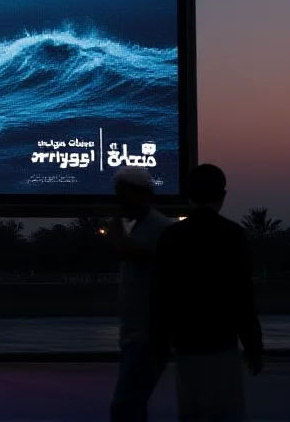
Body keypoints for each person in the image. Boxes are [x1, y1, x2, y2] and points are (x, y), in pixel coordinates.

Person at [150, 164, 263, 422]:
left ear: (189, 194)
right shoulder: (234, 236)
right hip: (223, 343)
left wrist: (159, 346)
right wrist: (254, 347)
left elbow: (160, 297)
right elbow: (243, 297)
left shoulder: (172, 236)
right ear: (222, 195)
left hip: (187, 345)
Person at [107, 166, 173, 422]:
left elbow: (134, 253)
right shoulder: (142, 226)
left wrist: (114, 229)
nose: (119, 201)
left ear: (140, 194)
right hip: (135, 333)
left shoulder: (160, 228)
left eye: (122, 195)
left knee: (125, 406)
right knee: (135, 405)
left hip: (149, 335)